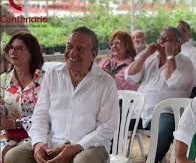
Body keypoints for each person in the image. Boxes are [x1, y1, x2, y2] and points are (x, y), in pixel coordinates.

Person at [4, 26, 120, 163]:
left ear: (93, 55)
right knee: (14, 156)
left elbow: (107, 128)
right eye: (69, 47)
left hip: (89, 147)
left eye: (80, 49)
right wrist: (39, 143)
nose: (72, 53)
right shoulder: (53, 74)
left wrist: (77, 146)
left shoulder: (105, 82)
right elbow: (40, 115)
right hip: (53, 142)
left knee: (83, 161)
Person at [125, 27, 195, 162]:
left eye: (167, 39)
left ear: (178, 44)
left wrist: (170, 57)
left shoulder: (186, 63)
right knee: (114, 118)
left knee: (166, 122)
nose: (162, 42)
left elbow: (172, 80)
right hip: (140, 112)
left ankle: (152, 160)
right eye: (161, 39)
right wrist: (145, 54)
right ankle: (109, 157)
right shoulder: (151, 58)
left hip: (167, 114)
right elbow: (130, 76)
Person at [0, 32, 44, 162]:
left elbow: (50, 114)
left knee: (12, 155)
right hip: (7, 135)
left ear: (31, 53)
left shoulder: (45, 80)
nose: (13, 52)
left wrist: (16, 123)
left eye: (19, 48)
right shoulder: (3, 79)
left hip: (37, 136)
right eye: (11, 48)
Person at [177, 20, 196, 97]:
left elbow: (195, 79)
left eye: (183, 30)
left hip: (188, 92)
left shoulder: (194, 52)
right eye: (177, 30)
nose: (179, 33)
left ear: (189, 35)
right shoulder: (170, 51)